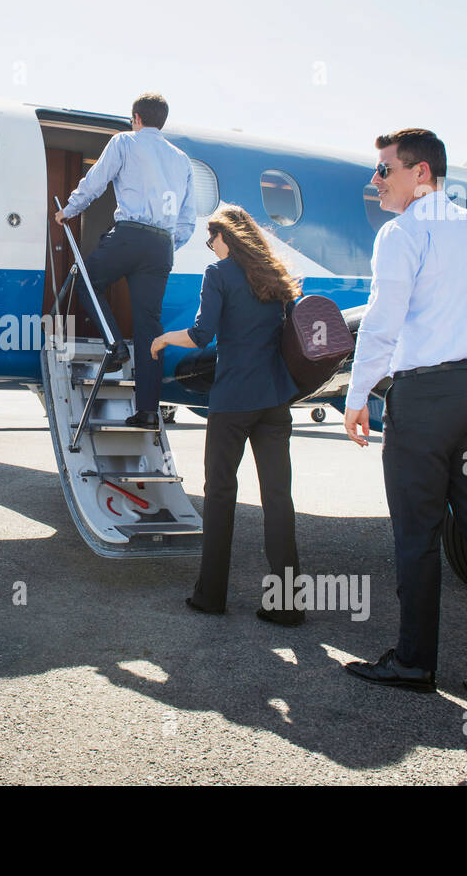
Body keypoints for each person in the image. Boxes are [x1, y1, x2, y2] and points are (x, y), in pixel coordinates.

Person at [342, 128, 467, 714]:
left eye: (384, 171)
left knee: (417, 533)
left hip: (426, 399)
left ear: (420, 173)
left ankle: (415, 661)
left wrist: (357, 396)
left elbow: (382, 321)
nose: (374, 182)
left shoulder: (402, 234)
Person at [152, 205, 303, 622]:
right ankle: (288, 605)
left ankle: (212, 596)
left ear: (226, 238)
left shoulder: (218, 274)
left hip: (233, 401)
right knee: (277, 498)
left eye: (211, 239)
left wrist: (164, 338)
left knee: (220, 496)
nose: (209, 246)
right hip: (274, 401)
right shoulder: (275, 277)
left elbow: (202, 335)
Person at [55, 92, 195, 428]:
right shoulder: (182, 160)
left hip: (130, 234)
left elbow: (96, 181)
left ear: (136, 118)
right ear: (161, 120)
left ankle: (114, 345)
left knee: (86, 281)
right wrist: (166, 244)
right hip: (162, 246)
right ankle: (148, 411)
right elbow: (187, 220)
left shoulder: (124, 142)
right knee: (151, 330)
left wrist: (68, 211)